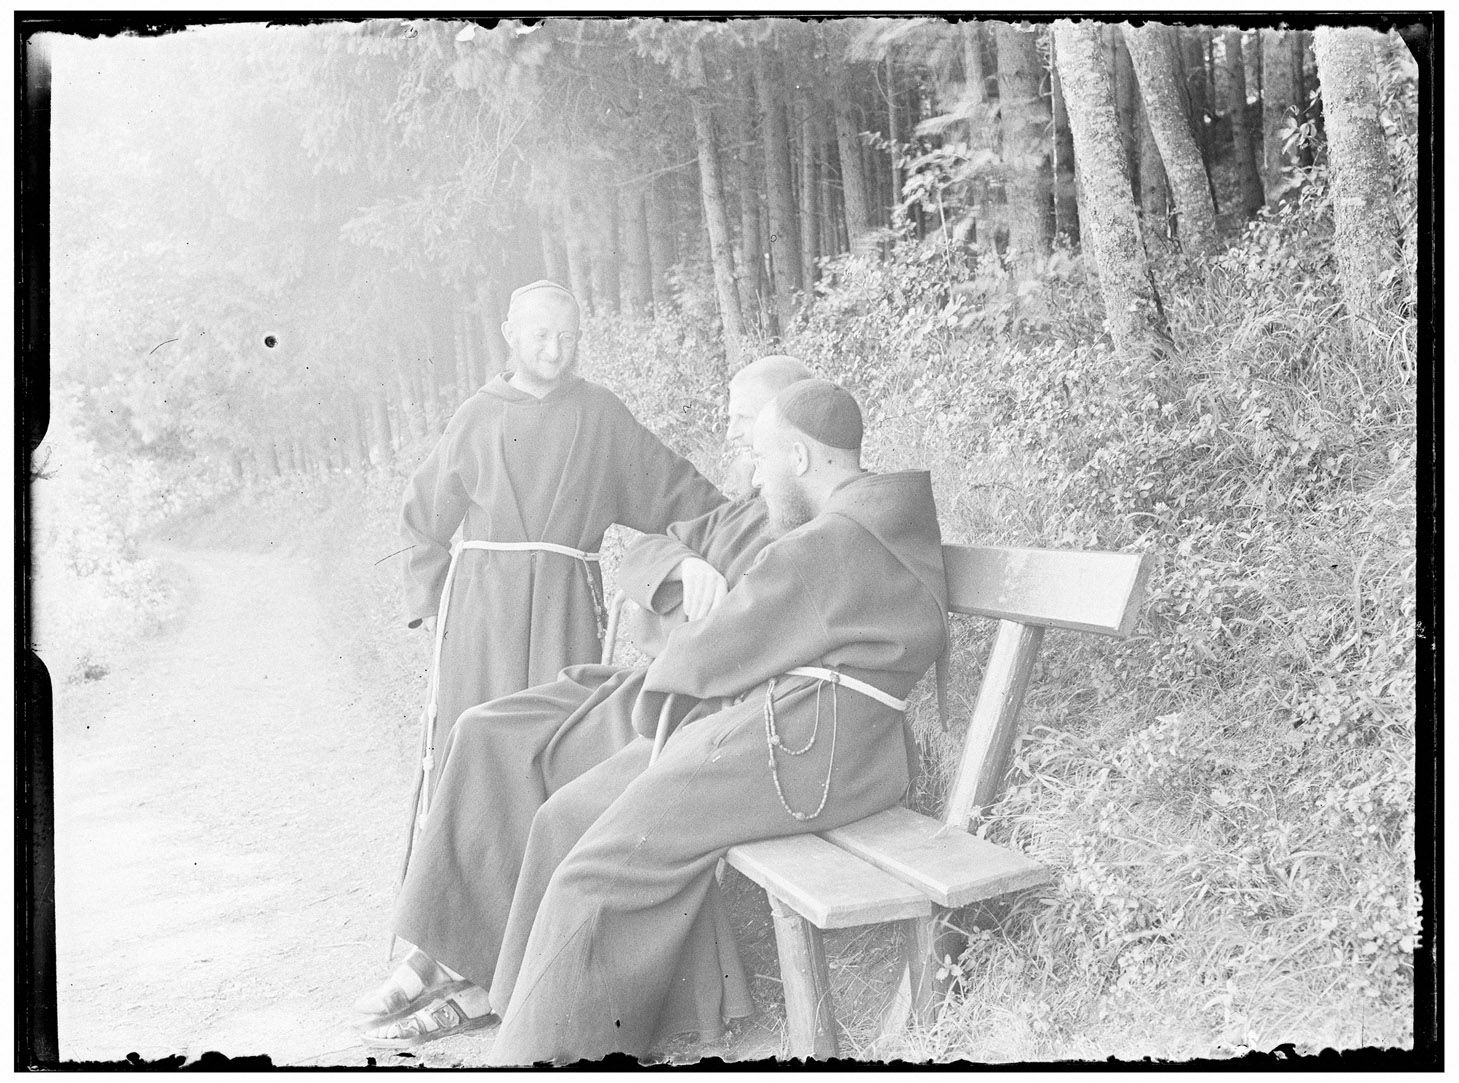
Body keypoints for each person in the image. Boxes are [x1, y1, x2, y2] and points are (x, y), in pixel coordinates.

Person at [483, 381, 950, 1064]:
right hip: (840, 746)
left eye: (762, 459)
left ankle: (534, 1058)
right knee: (587, 823)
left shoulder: (830, 542)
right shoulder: (882, 517)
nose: (756, 478)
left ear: (798, 456)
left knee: (600, 868)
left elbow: (711, 651)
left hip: (807, 750)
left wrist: (659, 703)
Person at [354, 357, 815, 1049]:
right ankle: (442, 950)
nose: (728, 434)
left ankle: (489, 987)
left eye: (741, 421)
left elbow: (734, 634)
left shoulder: (799, 518)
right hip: (642, 684)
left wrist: (675, 618)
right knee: (483, 731)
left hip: (689, 711)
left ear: (786, 432)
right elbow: (650, 549)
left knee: (548, 782)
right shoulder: (741, 507)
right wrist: (682, 565)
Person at [398, 280, 725, 801]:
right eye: (541, 335)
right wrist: (435, 605)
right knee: (479, 742)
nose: (555, 351)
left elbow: (674, 491)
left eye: (567, 337)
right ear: (509, 333)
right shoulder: (477, 415)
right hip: (482, 613)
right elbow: (422, 516)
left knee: (561, 742)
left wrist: (739, 522)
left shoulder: (600, 414)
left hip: (566, 607)